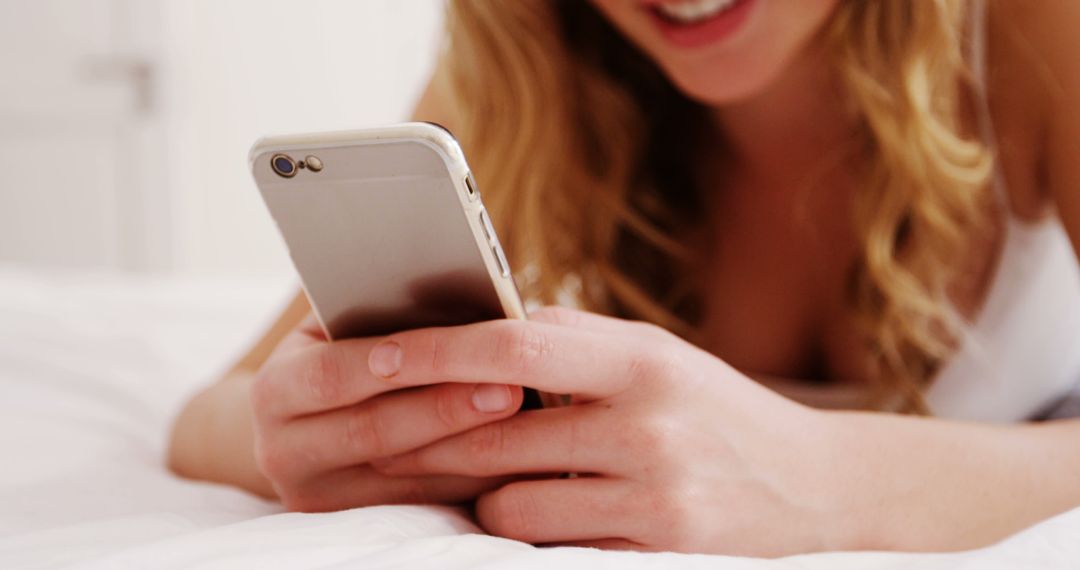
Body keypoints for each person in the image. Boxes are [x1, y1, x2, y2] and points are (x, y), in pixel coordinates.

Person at [168, 0, 1080, 556]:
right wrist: (329, 436)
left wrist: (824, 476)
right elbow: (208, 414)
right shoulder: (530, 68)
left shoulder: (1035, 31)